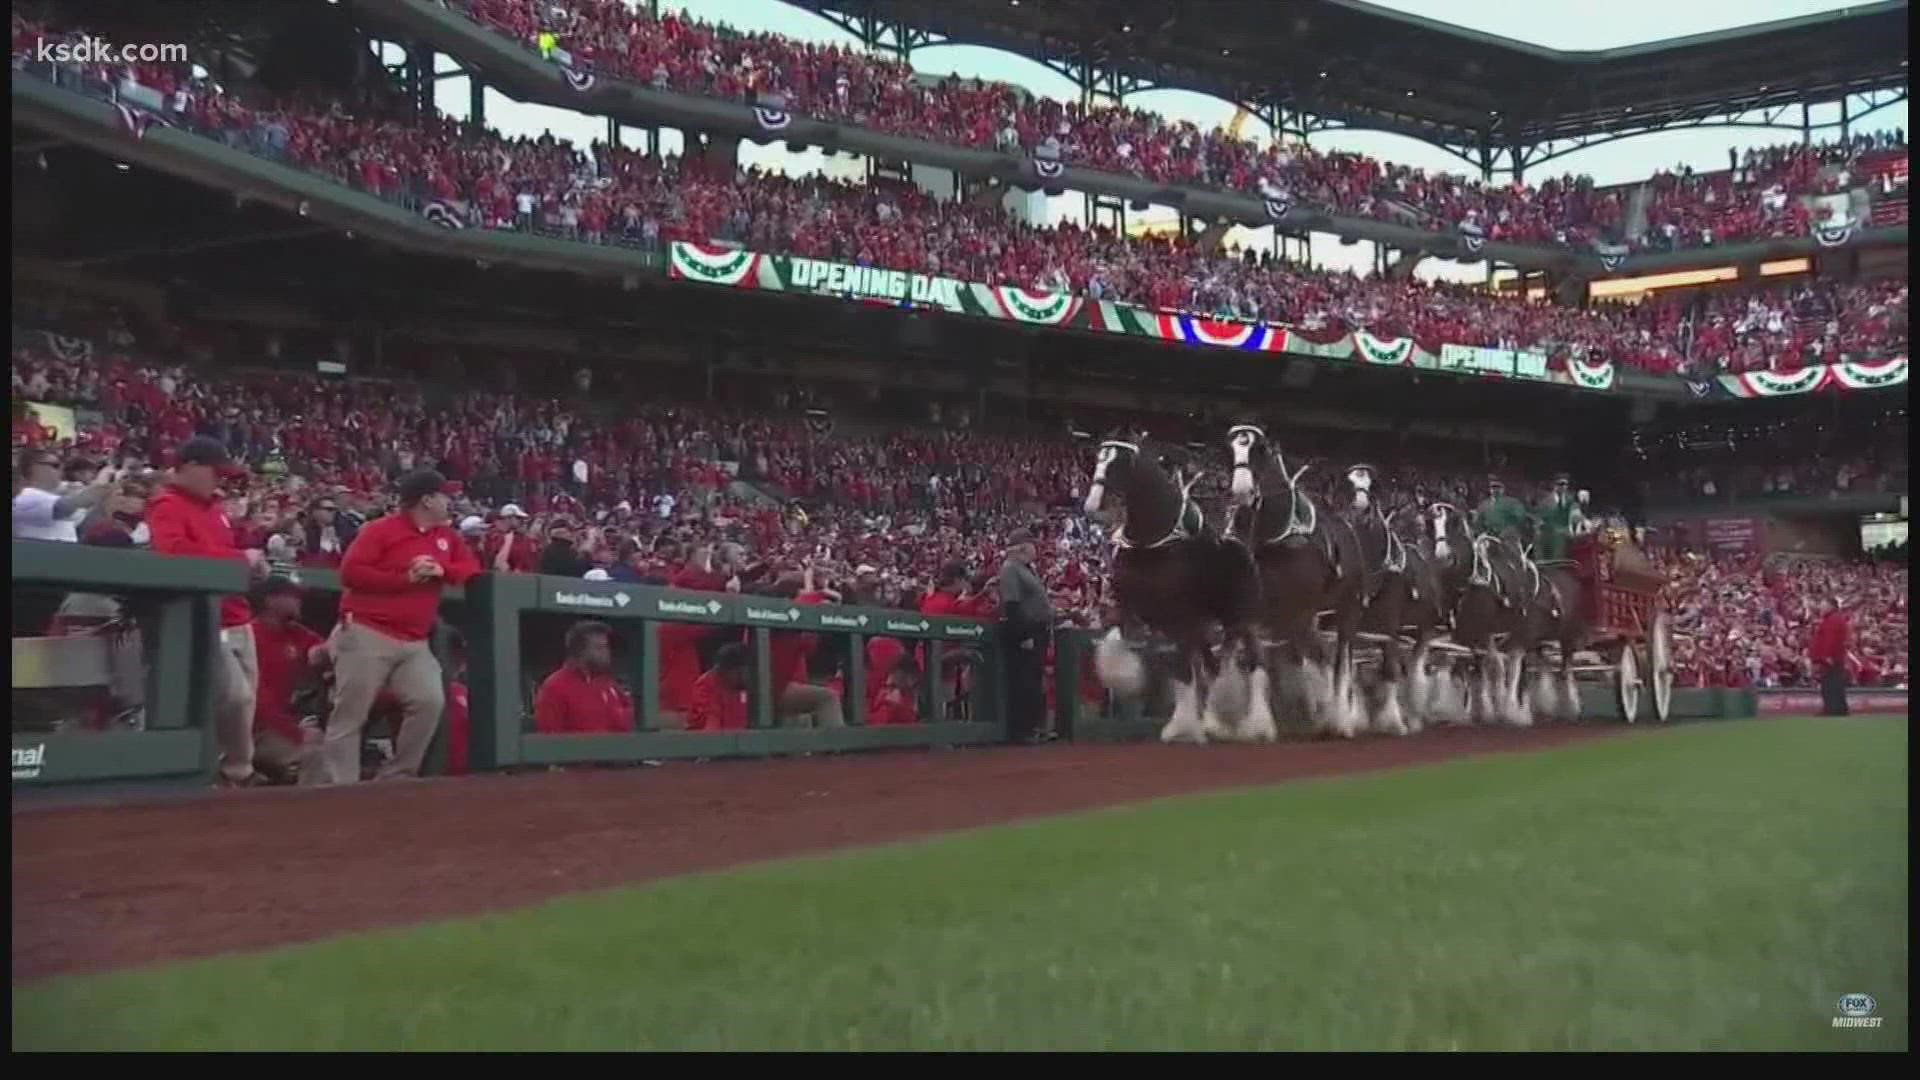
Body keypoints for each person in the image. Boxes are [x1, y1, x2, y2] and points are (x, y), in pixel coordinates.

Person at [320, 469, 480, 785]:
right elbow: (350, 574)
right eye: (445, 495)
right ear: (427, 500)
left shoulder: (446, 536)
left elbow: (471, 568)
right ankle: (339, 787)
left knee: (429, 701)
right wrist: (403, 579)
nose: (451, 501)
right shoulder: (381, 530)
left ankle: (397, 777)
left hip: (414, 640)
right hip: (368, 632)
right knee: (351, 713)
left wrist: (441, 569)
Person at [146, 437, 269, 786]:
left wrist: (249, 561)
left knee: (245, 702)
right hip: (201, 615)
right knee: (233, 695)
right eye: (215, 472)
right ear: (189, 467)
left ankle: (231, 773)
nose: (220, 480)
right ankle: (233, 772)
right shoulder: (166, 504)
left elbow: (218, 551)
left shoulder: (215, 509)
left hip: (236, 613)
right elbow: (174, 554)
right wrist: (238, 561)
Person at [249, 575, 329, 784]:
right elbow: (258, 703)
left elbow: (321, 650)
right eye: (292, 596)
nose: (299, 600)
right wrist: (297, 733)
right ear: (270, 601)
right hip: (249, 731)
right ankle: (309, 815)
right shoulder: (249, 636)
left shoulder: (294, 633)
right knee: (314, 755)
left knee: (329, 750)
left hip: (278, 727)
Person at [997, 527, 1055, 743]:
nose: (1035, 548)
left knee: (1033, 681)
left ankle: (1033, 728)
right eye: (1032, 544)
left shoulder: (1026, 569)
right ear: (1021, 547)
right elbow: (1012, 605)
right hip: (1026, 633)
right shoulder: (1011, 568)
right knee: (1024, 682)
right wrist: (1023, 635)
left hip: (1038, 631)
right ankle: (1022, 731)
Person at [533, 620, 635, 734]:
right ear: (579, 651)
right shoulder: (554, 687)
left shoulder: (609, 684)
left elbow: (629, 720)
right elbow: (549, 736)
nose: (606, 653)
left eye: (606, 647)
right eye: (599, 648)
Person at [13, 449, 114, 542]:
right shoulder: (24, 494)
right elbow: (62, 508)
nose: (61, 469)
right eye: (55, 465)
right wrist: (96, 490)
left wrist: (106, 498)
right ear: (34, 467)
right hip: (33, 555)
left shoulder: (57, 494)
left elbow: (84, 523)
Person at [686, 642, 750, 732]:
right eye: (741, 672)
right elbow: (710, 729)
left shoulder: (746, 688)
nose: (748, 676)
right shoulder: (706, 687)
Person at [1809, 595, 1853, 717]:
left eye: (1822, 605)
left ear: (1830, 606)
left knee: (1830, 684)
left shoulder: (1833, 620)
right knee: (1835, 683)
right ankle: (1839, 708)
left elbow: (1830, 639)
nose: (1820, 607)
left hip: (1830, 658)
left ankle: (1832, 709)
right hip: (1834, 657)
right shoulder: (1833, 619)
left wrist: (1827, 655)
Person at [1533, 474, 1586, 562]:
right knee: (1540, 536)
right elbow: (1541, 513)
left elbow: (1574, 516)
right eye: (1561, 484)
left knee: (1561, 537)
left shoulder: (1569, 500)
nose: (1563, 487)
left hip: (1563, 528)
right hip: (1549, 527)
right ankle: (1540, 559)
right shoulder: (1549, 499)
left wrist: (1573, 528)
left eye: (1565, 484)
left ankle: (1557, 559)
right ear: (1555, 485)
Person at [1474, 475, 1531, 547]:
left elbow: (1520, 516)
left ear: (1503, 489)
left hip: (1507, 532)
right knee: (1478, 545)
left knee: (1511, 548)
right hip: (1489, 533)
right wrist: (1481, 530)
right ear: (1490, 490)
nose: (1495, 490)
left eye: (1498, 487)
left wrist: (1509, 525)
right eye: (1493, 488)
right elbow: (1478, 520)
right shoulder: (1484, 504)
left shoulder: (1512, 502)